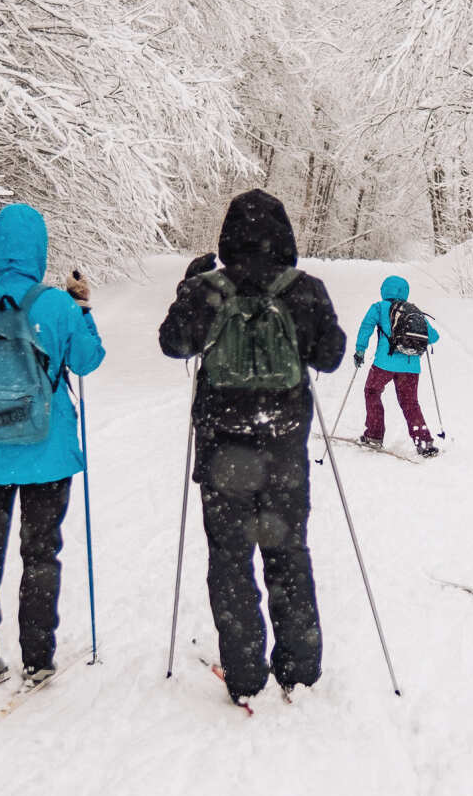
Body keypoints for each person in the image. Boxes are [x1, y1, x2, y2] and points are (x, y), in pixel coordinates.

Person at [158, 190, 346, 704]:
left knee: (230, 559)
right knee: (288, 553)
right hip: (284, 451)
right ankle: (300, 669)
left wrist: (187, 289)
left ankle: (244, 674)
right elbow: (330, 357)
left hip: (223, 454)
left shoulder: (207, 290)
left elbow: (174, 344)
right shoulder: (303, 289)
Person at [0, 203, 104, 684]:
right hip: (46, 455)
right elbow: (87, 361)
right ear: (40, 249)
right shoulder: (56, 305)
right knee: (40, 553)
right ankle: (38, 655)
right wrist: (82, 311)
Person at [352, 276, 440, 456]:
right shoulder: (413, 311)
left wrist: (360, 351)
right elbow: (433, 337)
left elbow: (366, 327)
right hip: (411, 367)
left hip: (384, 364)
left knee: (372, 392)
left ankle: (374, 436)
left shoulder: (378, 307)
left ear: (384, 289)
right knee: (410, 403)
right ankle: (424, 442)